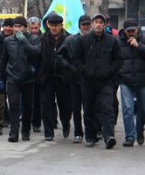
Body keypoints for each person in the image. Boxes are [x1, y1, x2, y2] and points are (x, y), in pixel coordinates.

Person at [71, 14, 121, 149]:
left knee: (107, 108)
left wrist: (110, 71)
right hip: (88, 81)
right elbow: (76, 59)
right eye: (96, 22)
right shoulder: (83, 41)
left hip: (106, 82)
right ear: (92, 24)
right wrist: (85, 70)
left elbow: (118, 60)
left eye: (101, 22)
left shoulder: (112, 40)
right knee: (89, 109)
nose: (98, 24)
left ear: (105, 25)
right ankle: (90, 136)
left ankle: (109, 136)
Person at [0, 16, 41, 142]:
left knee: (27, 107)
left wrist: (24, 42)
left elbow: (36, 53)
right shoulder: (8, 41)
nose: (17, 29)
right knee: (14, 104)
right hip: (12, 78)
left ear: (25, 27)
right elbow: (3, 60)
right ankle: (13, 132)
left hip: (28, 78)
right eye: (15, 26)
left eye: (20, 26)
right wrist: (0, 77)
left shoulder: (34, 39)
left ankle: (26, 130)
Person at [116, 18, 145, 147]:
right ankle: (130, 136)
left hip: (143, 80)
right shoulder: (118, 41)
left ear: (137, 29)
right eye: (128, 31)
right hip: (125, 80)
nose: (131, 33)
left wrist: (138, 46)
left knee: (144, 109)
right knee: (127, 108)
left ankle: (139, 129)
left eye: (133, 31)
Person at [57, 14, 92, 143]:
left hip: (90, 79)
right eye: (84, 24)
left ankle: (91, 132)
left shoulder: (96, 39)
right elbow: (59, 56)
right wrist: (70, 69)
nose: (86, 27)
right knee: (76, 107)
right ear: (79, 26)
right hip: (74, 79)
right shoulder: (70, 40)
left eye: (88, 24)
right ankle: (78, 133)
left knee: (89, 107)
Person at [37, 13, 71, 141]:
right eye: (52, 25)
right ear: (48, 25)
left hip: (63, 77)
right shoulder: (42, 39)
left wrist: (69, 71)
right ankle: (48, 132)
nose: (54, 28)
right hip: (47, 77)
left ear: (61, 26)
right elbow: (38, 57)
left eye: (57, 26)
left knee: (65, 106)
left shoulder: (68, 38)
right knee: (46, 105)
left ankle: (66, 123)